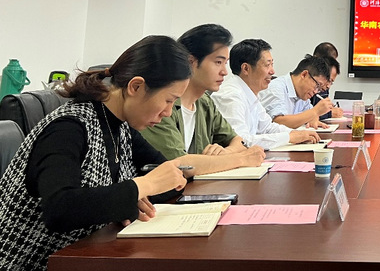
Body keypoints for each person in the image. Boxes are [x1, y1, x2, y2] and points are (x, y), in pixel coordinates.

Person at [0, 36, 198, 269]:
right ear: (136, 86)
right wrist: (142, 186)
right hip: (28, 264)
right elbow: (59, 209)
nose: (168, 113)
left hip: (81, 258)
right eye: (168, 100)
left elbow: (169, 179)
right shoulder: (68, 128)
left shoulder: (122, 127)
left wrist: (126, 200)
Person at [141, 24, 266, 170]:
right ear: (191, 62)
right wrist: (242, 159)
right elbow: (181, 164)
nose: (225, 72)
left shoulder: (204, 102)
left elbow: (238, 141)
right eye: (218, 62)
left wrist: (226, 153)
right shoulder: (162, 104)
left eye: (225, 63)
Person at [212, 39, 320, 149]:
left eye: (272, 64)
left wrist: (297, 134)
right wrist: (289, 137)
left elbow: (268, 127)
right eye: (267, 65)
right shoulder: (231, 96)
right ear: (246, 68)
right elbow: (241, 141)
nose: (272, 71)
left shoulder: (250, 93)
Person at [260, 55, 333, 128]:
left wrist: (314, 119)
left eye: (319, 89)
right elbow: (278, 122)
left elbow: (310, 114)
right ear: (304, 75)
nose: (316, 91)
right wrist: (315, 111)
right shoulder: (276, 88)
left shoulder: (302, 94)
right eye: (317, 85)